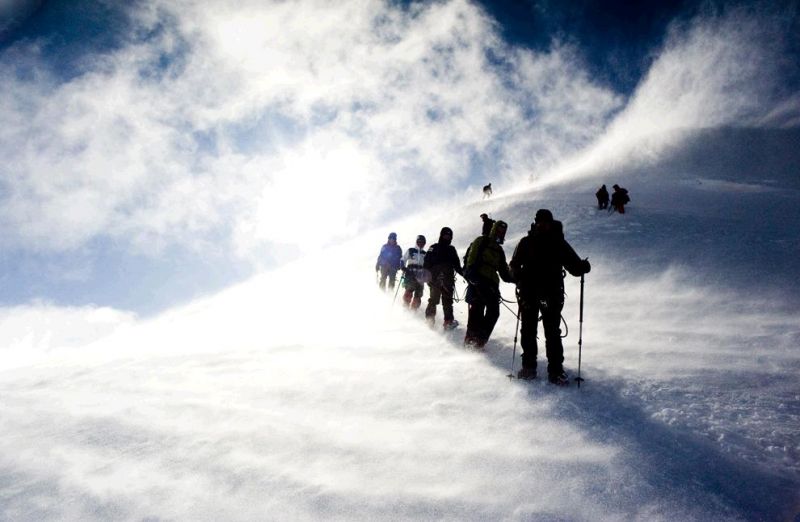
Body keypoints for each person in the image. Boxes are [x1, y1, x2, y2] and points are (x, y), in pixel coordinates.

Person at [509, 209, 590, 385]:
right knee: (533, 330)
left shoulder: (544, 242)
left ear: (550, 223)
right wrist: (582, 267)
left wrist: (582, 267)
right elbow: (514, 266)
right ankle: (533, 368)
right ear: (536, 222)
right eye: (540, 221)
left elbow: (574, 267)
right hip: (539, 293)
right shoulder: (550, 242)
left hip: (541, 293)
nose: (543, 225)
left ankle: (552, 370)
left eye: (545, 222)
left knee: (548, 331)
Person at [463, 220, 514, 348]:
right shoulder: (481, 241)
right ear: (494, 230)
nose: (500, 234)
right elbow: (472, 257)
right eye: (499, 231)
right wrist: (471, 274)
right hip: (478, 279)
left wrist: (517, 280)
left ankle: (480, 338)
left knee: (494, 311)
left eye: (503, 232)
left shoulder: (499, 251)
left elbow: (504, 273)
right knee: (477, 308)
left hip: (492, 284)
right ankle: (471, 337)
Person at [423, 227, 464, 330]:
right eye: (445, 235)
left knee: (447, 300)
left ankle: (448, 322)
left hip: (448, 279)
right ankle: (429, 321)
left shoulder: (451, 249)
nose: (447, 237)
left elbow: (457, 265)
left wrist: (466, 275)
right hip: (434, 278)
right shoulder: (433, 247)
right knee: (433, 300)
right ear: (441, 235)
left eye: (449, 236)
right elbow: (426, 262)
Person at [401, 235, 428, 310]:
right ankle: (405, 308)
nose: (420, 243)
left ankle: (413, 311)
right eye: (419, 242)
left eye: (422, 242)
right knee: (409, 291)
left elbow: (427, 265)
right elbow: (403, 259)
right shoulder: (411, 250)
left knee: (418, 295)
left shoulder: (425, 253)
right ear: (416, 242)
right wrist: (403, 267)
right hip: (410, 273)